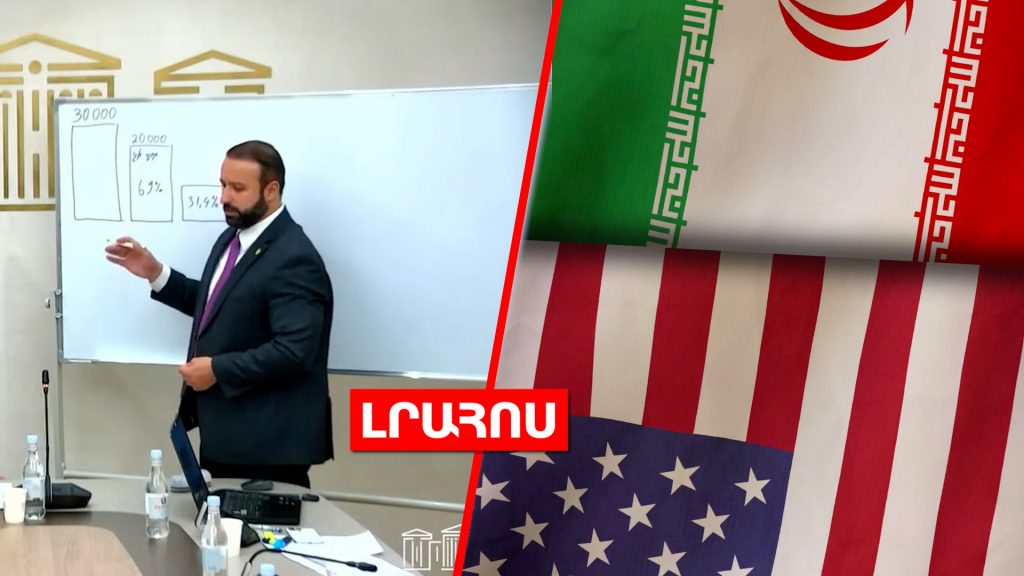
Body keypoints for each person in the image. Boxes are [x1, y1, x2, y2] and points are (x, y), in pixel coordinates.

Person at [105, 140, 333, 488]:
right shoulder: (233, 238)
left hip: (268, 449)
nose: (224, 197)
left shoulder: (294, 258)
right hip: (228, 436)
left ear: (271, 190)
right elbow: (221, 305)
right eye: (223, 184)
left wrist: (217, 369)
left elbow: (295, 351)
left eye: (237, 188)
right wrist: (156, 273)